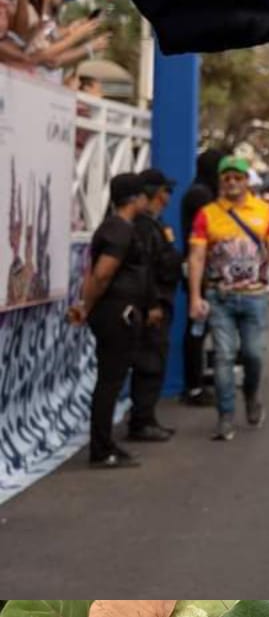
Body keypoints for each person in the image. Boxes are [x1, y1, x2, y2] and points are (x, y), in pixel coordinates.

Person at [188, 155, 269, 441]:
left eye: (238, 178)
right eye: (227, 178)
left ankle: (251, 395)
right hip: (220, 297)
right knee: (223, 357)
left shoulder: (264, 211)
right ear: (221, 181)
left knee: (254, 355)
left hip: (256, 298)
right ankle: (225, 416)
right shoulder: (206, 214)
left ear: (247, 181)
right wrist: (195, 297)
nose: (232, 183)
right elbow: (196, 257)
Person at [67, 174, 151, 468]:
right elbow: (102, 273)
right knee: (110, 382)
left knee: (112, 380)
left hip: (116, 311)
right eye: (144, 195)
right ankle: (101, 449)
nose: (148, 200)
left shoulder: (117, 228)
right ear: (134, 198)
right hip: (116, 314)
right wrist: (86, 306)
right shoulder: (119, 230)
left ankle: (105, 443)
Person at [126, 167, 182, 444]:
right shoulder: (145, 227)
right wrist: (152, 304)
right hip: (153, 304)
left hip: (159, 300)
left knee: (154, 361)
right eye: (165, 192)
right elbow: (145, 270)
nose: (168, 197)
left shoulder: (154, 224)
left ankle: (146, 418)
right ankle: (142, 421)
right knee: (149, 362)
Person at [178, 149, 224, 404]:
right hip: (201, 268)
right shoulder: (201, 195)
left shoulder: (200, 191)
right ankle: (193, 385)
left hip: (203, 267)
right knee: (197, 325)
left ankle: (197, 379)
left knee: (201, 325)